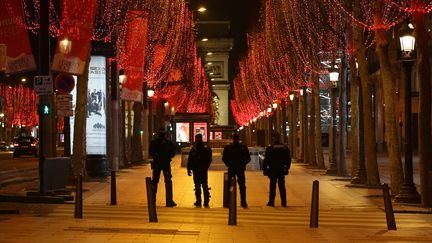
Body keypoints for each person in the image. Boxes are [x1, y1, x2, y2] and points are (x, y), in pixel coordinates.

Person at [263, 132, 291, 207]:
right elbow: (288, 159)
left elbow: (266, 160)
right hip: (281, 169)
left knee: (272, 186)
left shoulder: (270, 148)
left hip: (273, 169)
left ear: (273, 138)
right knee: (282, 186)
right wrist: (287, 168)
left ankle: (271, 202)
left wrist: (265, 169)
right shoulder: (284, 148)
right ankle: (284, 202)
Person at [222, 133, 251, 208]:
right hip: (240, 168)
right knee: (242, 186)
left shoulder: (229, 147)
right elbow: (248, 158)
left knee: (230, 185)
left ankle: (229, 201)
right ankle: (243, 201)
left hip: (232, 168)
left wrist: (229, 164)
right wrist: (243, 164)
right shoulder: (243, 147)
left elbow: (224, 158)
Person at [149, 130, 177, 207]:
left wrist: (157, 156)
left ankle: (153, 199)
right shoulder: (167, 143)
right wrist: (167, 157)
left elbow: (151, 152)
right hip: (165, 164)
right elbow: (172, 153)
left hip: (159, 163)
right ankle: (169, 200)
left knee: (155, 181)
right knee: (166, 181)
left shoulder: (155, 142)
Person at [187, 134, 212, 207]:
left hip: (198, 169)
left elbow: (190, 160)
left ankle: (200, 201)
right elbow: (209, 159)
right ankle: (204, 201)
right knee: (203, 185)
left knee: (199, 185)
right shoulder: (204, 148)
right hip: (200, 169)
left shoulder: (195, 149)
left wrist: (189, 169)